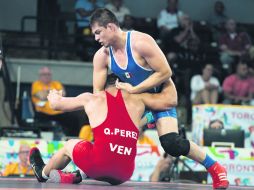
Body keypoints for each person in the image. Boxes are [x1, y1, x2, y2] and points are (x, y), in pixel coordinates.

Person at [90, 8, 229, 189]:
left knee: (172, 144)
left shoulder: (141, 42)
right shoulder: (102, 56)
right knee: (110, 136)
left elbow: (166, 72)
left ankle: (216, 167)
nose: (96, 38)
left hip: (160, 94)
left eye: (98, 32)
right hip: (138, 101)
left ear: (110, 27)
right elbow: (97, 94)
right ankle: (83, 171)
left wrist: (136, 89)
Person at [29, 73, 173, 185]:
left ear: (105, 86)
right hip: (124, 173)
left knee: (71, 145)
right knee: (104, 149)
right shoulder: (140, 100)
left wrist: (54, 95)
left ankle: (42, 173)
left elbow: (55, 106)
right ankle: (76, 175)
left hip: (98, 165)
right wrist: (165, 75)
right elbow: (171, 100)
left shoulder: (92, 98)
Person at [31, 67, 87, 136]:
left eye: (48, 74)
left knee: (75, 116)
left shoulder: (56, 83)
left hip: (59, 112)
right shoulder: (36, 84)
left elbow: (63, 94)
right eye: (44, 74)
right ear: (40, 76)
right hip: (43, 113)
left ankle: (72, 137)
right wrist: (54, 93)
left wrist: (46, 93)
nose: (47, 76)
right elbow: (41, 96)